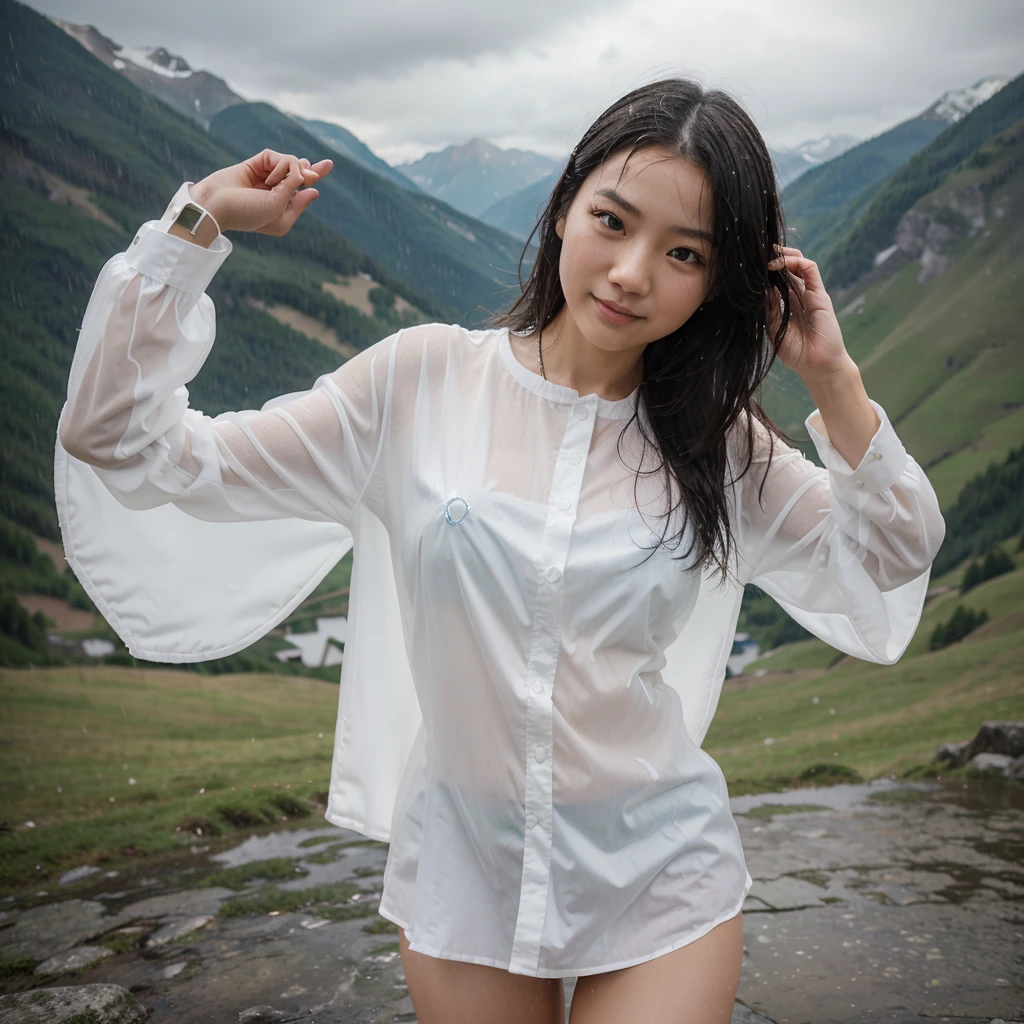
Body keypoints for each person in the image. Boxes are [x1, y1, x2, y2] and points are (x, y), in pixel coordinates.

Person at [56, 77, 945, 1023]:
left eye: (683, 252)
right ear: (564, 209)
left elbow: (891, 551)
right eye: (613, 219)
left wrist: (832, 378)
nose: (633, 272)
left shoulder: (719, 447)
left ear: (718, 281)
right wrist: (195, 226)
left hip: (661, 871)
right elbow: (125, 440)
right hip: (464, 868)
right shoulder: (418, 381)